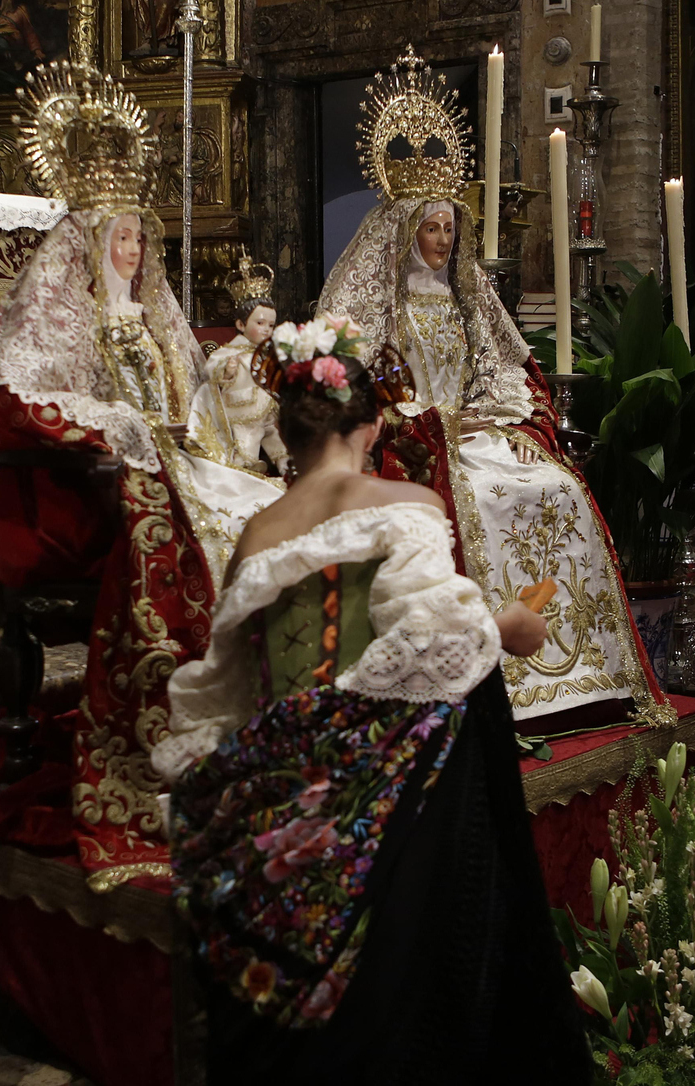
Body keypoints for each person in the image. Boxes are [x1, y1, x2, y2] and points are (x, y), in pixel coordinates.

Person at [154, 317, 591, 1083]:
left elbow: (238, 679)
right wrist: (512, 625)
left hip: (277, 786)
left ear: (287, 432)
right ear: (373, 423)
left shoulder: (256, 531)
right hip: (377, 795)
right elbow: (435, 643)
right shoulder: (401, 500)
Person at [0, 62, 283, 887]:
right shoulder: (60, 309)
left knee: (270, 505)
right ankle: (184, 723)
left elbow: (196, 393)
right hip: (88, 488)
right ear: (90, 241)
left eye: (142, 237)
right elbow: (23, 398)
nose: (135, 252)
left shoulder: (153, 314)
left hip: (172, 462)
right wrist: (121, 429)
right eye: (122, 237)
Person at [315, 45, 670, 730]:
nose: (444, 239)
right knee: (478, 498)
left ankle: (584, 673)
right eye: (432, 227)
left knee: (555, 485)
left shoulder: (466, 298)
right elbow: (363, 383)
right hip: (420, 442)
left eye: (451, 226)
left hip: (478, 432)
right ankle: (496, 673)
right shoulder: (380, 306)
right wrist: (429, 421)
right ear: (405, 233)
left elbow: (504, 368)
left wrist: (496, 415)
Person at [186, 252, 288, 474]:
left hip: (266, 407)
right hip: (241, 409)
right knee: (247, 439)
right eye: (259, 323)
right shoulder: (232, 351)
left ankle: (286, 465)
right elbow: (212, 367)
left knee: (275, 436)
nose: (266, 329)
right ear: (241, 324)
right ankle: (245, 466)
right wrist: (227, 371)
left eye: (270, 325)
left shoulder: (267, 353)